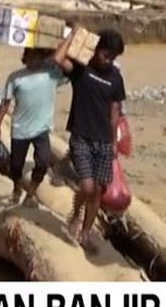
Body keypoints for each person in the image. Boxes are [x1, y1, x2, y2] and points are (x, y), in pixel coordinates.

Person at [51, 28, 127, 249]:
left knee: (99, 191)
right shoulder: (81, 69)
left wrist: (114, 143)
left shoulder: (115, 77)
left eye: (112, 57)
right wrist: (73, 36)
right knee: (87, 186)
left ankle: (85, 233)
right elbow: (57, 58)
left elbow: (115, 112)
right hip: (81, 136)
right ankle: (75, 213)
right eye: (106, 54)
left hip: (104, 141)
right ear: (97, 49)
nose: (108, 60)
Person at [0, 48, 68, 207]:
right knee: (16, 166)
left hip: (42, 129)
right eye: (32, 56)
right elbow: (5, 103)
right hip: (20, 129)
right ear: (25, 58)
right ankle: (17, 187)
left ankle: (30, 195)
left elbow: (70, 70)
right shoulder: (15, 78)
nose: (35, 60)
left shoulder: (51, 74)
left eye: (39, 56)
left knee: (42, 163)